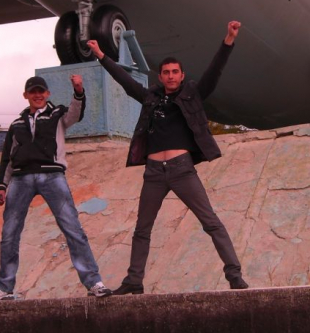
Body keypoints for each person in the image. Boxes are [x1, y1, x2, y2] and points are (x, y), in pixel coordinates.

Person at [86, 21, 248, 294]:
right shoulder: (150, 97)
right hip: (153, 173)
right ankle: (134, 282)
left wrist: (229, 39)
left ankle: (234, 276)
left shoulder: (192, 94)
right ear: (160, 77)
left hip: (182, 169)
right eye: (166, 73)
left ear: (182, 76)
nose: (171, 76)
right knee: (142, 229)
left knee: (210, 222)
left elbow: (214, 71)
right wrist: (101, 55)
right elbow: (125, 81)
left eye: (175, 72)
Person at [0, 74, 112, 301]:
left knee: (73, 229)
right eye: (33, 92)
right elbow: (7, 159)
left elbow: (76, 113)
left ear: (47, 93)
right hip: (21, 179)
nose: (37, 95)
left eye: (41, 91)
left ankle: (94, 283)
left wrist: (78, 90)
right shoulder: (16, 124)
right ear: (25, 95)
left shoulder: (58, 114)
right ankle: (3, 287)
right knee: (9, 233)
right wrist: (1, 185)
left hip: (52, 176)